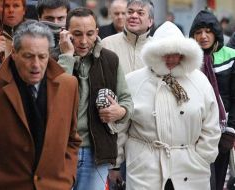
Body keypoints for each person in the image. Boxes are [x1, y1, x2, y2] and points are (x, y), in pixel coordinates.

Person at [0, 20, 81, 190]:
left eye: (42, 56)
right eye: (28, 56)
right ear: (14, 52)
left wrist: (66, 177)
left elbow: (72, 139)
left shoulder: (68, 85)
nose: (36, 65)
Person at [123, 21, 221, 190]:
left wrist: (203, 157)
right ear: (154, 54)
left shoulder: (199, 80)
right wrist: (118, 164)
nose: (171, 59)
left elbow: (211, 124)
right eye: (164, 54)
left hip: (190, 168)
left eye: (176, 53)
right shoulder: (133, 81)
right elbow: (122, 126)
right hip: (145, 167)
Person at [58, 7, 133, 190]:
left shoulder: (110, 59)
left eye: (90, 34)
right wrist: (67, 58)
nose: (84, 41)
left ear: (97, 32)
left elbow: (127, 101)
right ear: (66, 34)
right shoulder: (53, 59)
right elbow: (55, 98)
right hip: (61, 151)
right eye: (77, 34)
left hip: (97, 152)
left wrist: (119, 111)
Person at [189, 10, 235, 190]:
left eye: (208, 31)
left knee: (217, 182)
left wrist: (230, 132)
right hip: (193, 134)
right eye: (198, 32)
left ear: (216, 31)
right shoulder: (187, 59)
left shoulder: (231, 56)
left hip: (221, 132)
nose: (203, 36)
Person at [102, 0, 154, 74]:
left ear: (150, 21)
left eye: (140, 13)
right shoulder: (106, 44)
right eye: (130, 12)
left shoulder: (157, 48)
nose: (134, 16)